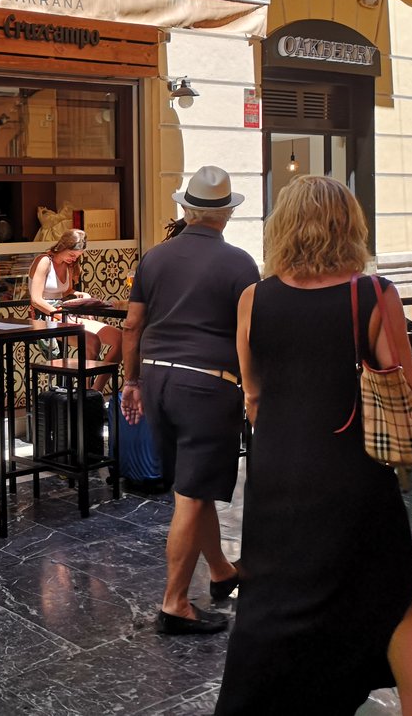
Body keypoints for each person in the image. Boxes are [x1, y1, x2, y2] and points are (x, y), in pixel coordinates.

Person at [215, 176, 412, 715]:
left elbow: (254, 393)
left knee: (271, 597)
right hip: (351, 470)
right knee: (398, 597)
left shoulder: (254, 299)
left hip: (275, 472)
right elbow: (408, 386)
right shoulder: (372, 295)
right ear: (349, 225)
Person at [120, 165, 258, 635]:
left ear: (186, 208)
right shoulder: (240, 264)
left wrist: (131, 382)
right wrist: (254, 391)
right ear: (225, 215)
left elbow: (132, 326)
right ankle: (175, 603)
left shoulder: (154, 258)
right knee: (192, 495)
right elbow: (247, 336)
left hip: (157, 380)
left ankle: (220, 572)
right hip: (208, 385)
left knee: (191, 488)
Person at [29, 228, 122, 391]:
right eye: (72, 254)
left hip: (65, 312)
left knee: (120, 338)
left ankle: (95, 390)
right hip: (46, 315)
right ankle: (84, 393)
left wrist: (80, 294)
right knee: (92, 341)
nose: (74, 259)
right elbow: (36, 300)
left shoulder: (68, 265)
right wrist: (58, 314)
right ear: (63, 246)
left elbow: (65, 292)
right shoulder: (44, 261)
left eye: (77, 256)